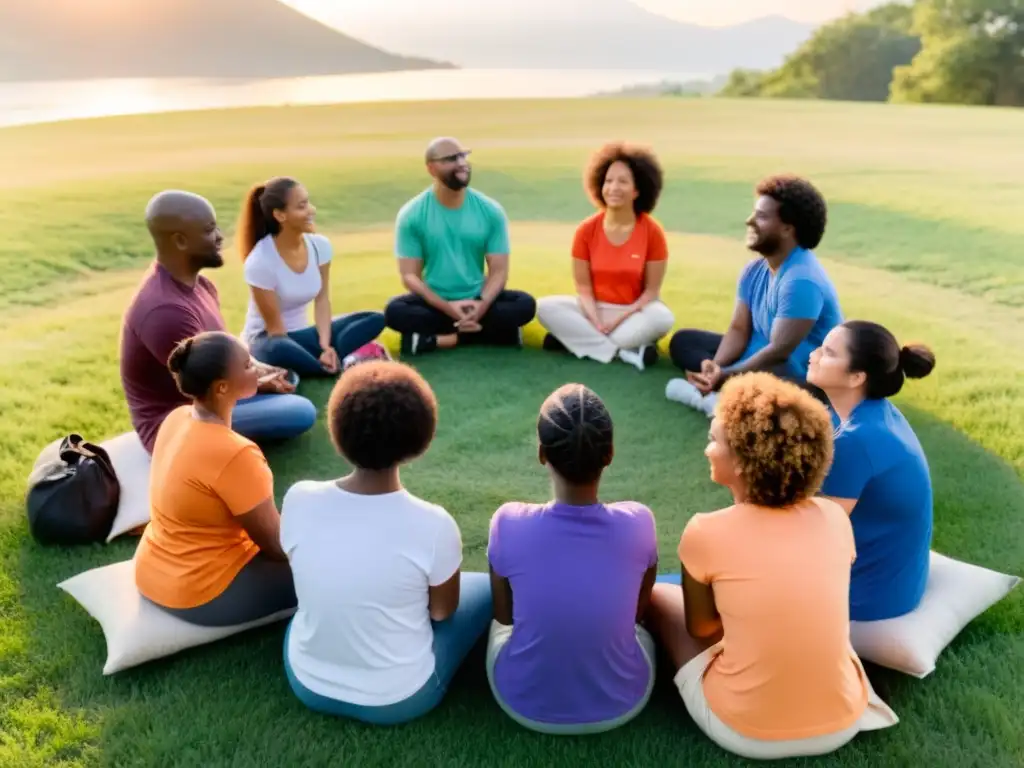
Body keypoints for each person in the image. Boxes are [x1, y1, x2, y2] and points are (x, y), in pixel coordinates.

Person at [645, 373, 898, 760]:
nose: (707, 449)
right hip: (843, 722)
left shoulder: (705, 531)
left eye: (715, 440)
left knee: (661, 596)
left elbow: (702, 628)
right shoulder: (834, 517)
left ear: (746, 462)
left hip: (746, 732)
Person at [280, 360, 492, 725]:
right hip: (399, 697)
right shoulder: (433, 524)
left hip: (307, 682)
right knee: (487, 588)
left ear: (336, 429)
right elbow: (441, 612)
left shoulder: (298, 498)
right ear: (420, 440)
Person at [487, 383, 659, 734]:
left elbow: (503, 616)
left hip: (522, 703)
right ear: (609, 453)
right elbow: (638, 614)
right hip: (623, 703)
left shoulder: (508, 521)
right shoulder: (639, 522)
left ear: (541, 453)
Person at [120, 189, 317, 454]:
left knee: (286, 377)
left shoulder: (202, 285)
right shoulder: (166, 311)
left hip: (213, 397)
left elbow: (224, 348)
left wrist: (260, 369)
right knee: (300, 411)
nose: (219, 237)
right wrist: (258, 382)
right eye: (209, 230)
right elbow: (209, 389)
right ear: (180, 241)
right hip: (177, 425)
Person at [134, 332, 296, 626]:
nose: (258, 370)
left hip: (152, 572)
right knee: (332, 569)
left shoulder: (177, 418)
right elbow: (275, 544)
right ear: (222, 388)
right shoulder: (236, 454)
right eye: (248, 366)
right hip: (199, 591)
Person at [665, 175, 842, 416]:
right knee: (684, 342)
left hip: (795, 372)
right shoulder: (755, 270)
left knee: (775, 391)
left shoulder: (801, 281)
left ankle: (722, 401)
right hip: (758, 355)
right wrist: (716, 367)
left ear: (787, 229)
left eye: (761, 216)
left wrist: (726, 375)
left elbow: (779, 352)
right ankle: (722, 392)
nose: (749, 221)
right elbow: (739, 329)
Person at [808, 320, 936, 621]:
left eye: (828, 352)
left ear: (856, 377)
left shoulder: (856, 441)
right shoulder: (879, 412)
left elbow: (814, 535)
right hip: (893, 581)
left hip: (868, 596)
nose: (814, 354)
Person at [383, 137, 536, 356]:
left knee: (524, 304)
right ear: (431, 168)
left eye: (463, 156)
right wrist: (448, 308)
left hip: (479, 298)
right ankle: (495, 334)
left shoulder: (490, 211)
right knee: (394, 311)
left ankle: (436, 339)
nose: (461, 163)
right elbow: (410, 277)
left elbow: (499, 271)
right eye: (451, 159)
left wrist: (480, 305)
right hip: (435, 303)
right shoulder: (412, 214)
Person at [536, 143, 675, 371]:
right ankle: (620, 351)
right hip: (593, 309)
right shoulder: (586, 230)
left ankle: (576, 343)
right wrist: (595, 319)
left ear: (637, 190)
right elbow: (583, 288)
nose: (613, 188)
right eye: (608, 181)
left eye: (623, 181)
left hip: (633, 312)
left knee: (662, 318)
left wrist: (618, 320)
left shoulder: (652, 232)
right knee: (543, 307)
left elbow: (651, 292)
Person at [238, 177, 387, 376]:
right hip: (267, 340)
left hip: (308, 335)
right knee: (280, 348)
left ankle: (329, 357)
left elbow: (322, 300)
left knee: (375, 319)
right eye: (301, 206)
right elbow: (276, 330)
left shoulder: (320, 246)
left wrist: (325, 346)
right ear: (280, 215)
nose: (312, 210)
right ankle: (326, 367)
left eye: (308, 202)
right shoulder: (260, 261)